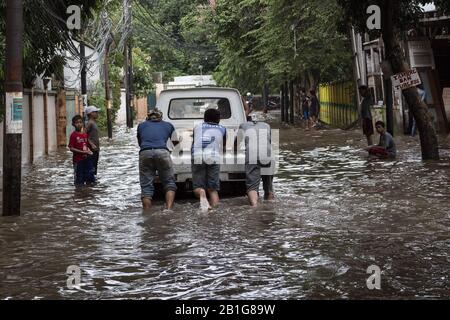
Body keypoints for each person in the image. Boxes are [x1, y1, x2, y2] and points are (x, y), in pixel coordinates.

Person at [137, 109, 179, 210]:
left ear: (148, 117)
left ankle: (147, 212)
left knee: (146, 185)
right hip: (162, 152)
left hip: (145, 152)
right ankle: (168, 209)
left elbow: (140, 142)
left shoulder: (141, 126)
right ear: (161, 117)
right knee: (169, 182)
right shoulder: (168, 125)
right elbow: (175, 143)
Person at [192, 108, 227, 211]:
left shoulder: (197, 127)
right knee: (213, 189)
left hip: (198, 156)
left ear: (204, 118)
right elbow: (223, 146)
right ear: (218, 119)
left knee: (197, 187)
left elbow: (195, 142)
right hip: (213, 157)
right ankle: (214, 212)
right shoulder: (222, 129)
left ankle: (201, 192)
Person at [238, 114, 275, 207]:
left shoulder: (243, 125)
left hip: (252, 155)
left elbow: (237, 141)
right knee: (268, 187)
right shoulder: (267, 125)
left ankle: (255, 207)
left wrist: (235, 149)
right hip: (268, 154)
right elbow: (269, 141)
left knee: (252, 186)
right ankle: (270, 207)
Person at [68, 115, 95, 186]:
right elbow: (71, 148)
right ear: (73, 124)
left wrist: (89, 149)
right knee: (79, 180)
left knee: (89, 178)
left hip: (86, 159)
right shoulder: (73, 135)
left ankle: (87, 194)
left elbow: (85, 145)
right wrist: (83, 152)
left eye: (80, 122)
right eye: (77, 123)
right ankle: (79, 194)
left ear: (83, 123)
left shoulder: (84, 135)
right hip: (78, 160)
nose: (79, 124)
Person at [85, 106, 101, 177]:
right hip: (92, 150)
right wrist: (91, 144)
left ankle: (93, 184)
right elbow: (84, 135)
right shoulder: (90, 123)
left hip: (95, 149)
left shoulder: (93, 122)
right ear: (91, 113)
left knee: (94, 167)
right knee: (92, 167)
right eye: (95, 112)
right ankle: (91, 182)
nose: (97, 113)